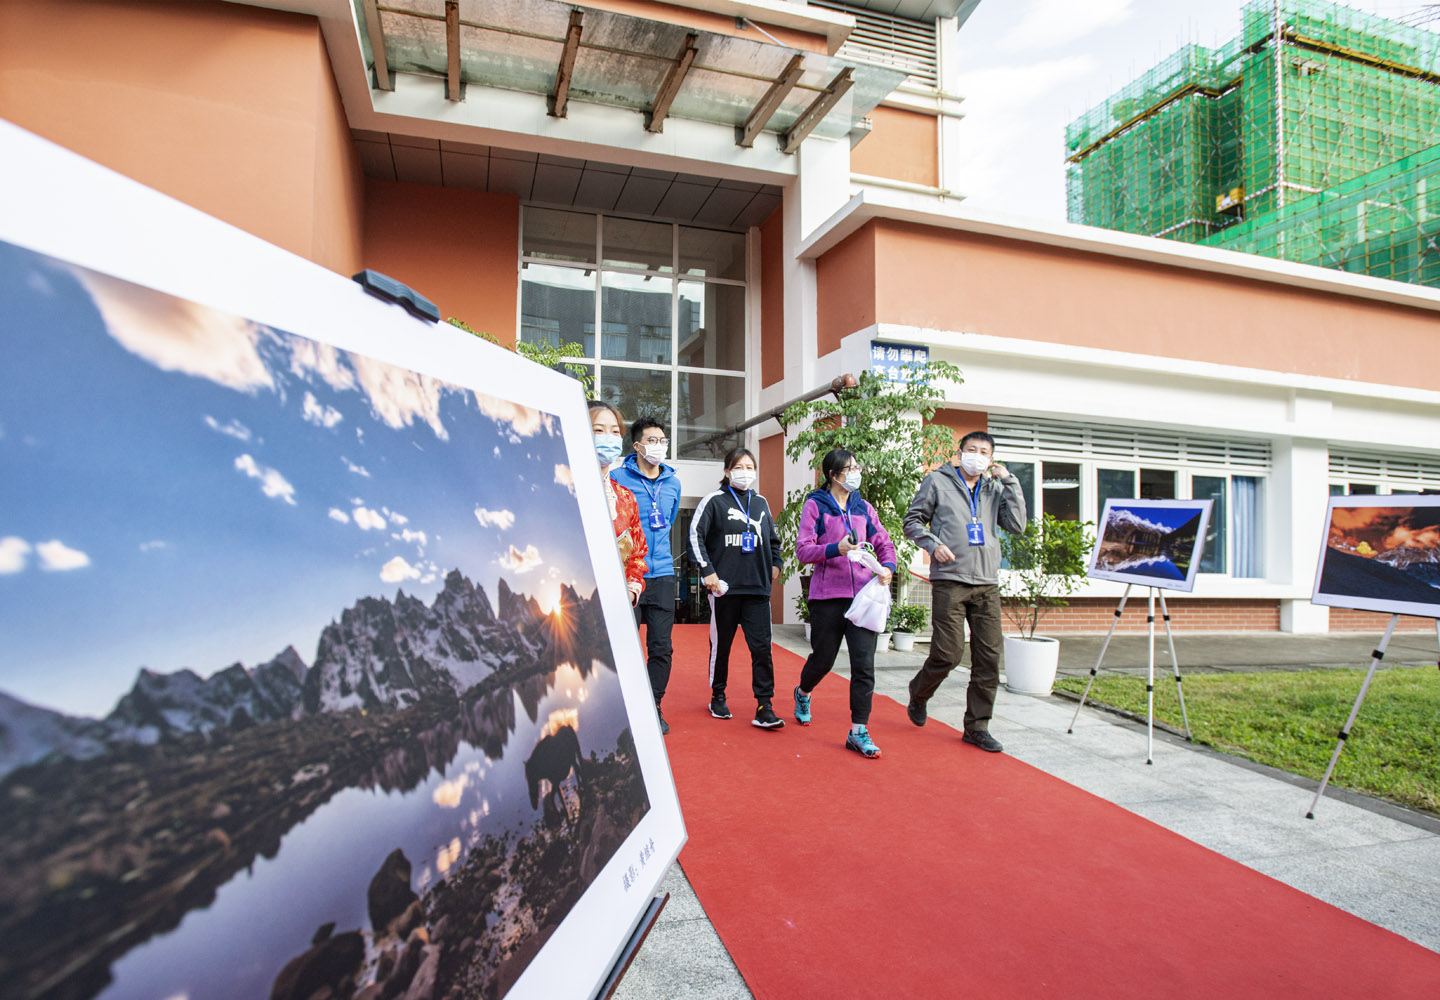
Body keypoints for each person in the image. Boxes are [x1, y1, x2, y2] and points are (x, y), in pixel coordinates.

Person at [903, 431, 1026, 753]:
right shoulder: (937, 482)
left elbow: (1017, 525)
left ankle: (977, 726)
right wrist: (933, 544)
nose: (977, 455)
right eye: (971, 449)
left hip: (986, 583)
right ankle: (919, 691)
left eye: (984, 451)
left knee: (988, 658)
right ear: (960, 453)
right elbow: (912, 521)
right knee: (948, 653)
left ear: (991, 458)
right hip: (950, 579)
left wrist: (1010, 482)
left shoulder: (996, 488)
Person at [793, 449, 897, 758]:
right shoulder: (816, 506)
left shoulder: (864, 507)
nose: (855, 472)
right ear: (833, 474)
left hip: (863, 597)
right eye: (848, 468)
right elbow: (803, 550)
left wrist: (888, 567)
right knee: (823, 659)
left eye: (856, 466)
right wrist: (834, 549)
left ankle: (858, 731)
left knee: (864, 665)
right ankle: (803, 692)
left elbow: (883, 542)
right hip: (828, 596)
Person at [689, 447, 784, 729]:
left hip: (757, 590)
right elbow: (695, 536)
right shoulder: (714, 501)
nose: (745, 472)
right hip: (725, 590)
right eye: (739, 466)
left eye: (749, 466)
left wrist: (776, 565)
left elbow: (773, 539)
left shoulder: (761, 503)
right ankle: (718, 695)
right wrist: (709, 572)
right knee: (722, 646)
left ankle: (764, 705)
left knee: (762, 649)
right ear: (727, 471)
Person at [610, 417, 682, 735]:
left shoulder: (673, 484)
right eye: (652, 440)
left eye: (662, 440)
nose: (659, 446)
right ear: (637, 445)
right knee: (625, 644)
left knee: (661, 647)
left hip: (664, 574)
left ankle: (653, 705)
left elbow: (668, 521)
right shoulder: (617, 479)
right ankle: (622, 705)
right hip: (627, 576)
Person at [589, 401, 647, 608]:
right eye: (598, 430)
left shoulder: (625, 498)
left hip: (613, 607)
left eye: (615, 432)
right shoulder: (558, 489)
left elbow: (638, 553)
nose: (608, 437)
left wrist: (630, 591)